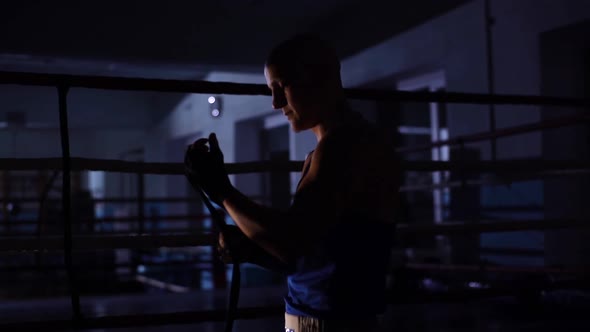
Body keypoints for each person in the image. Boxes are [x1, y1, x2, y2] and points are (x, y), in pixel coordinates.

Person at [185, 34, 399, 332]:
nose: (275, 103)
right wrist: (254, 249)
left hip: (332, 322)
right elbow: (316, 251)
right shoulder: (325, 152)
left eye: (281, 86)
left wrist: (222, 191)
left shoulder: (345, 148)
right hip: (320, 316)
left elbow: (291, 243)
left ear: (321, 78)